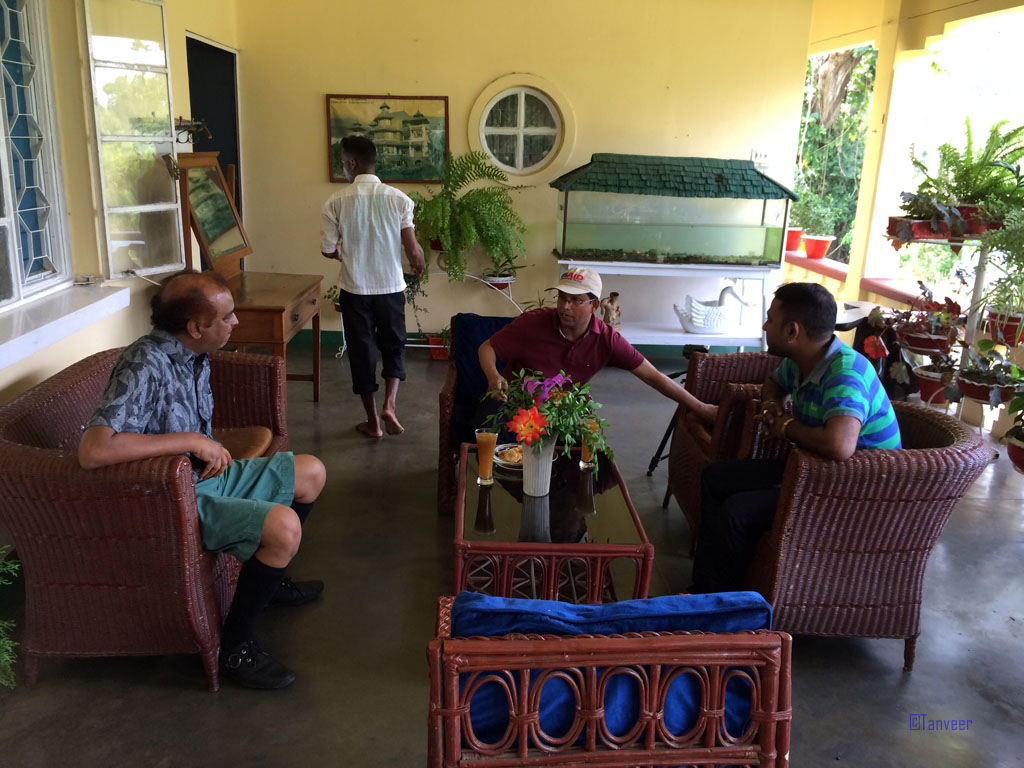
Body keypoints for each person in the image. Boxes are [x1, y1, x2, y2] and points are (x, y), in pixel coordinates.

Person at [78, 270, 327, 690]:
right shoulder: (145, 363)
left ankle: (269, 586)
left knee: (311, 472)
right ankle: (235, 649)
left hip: (206, 477)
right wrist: (192, 440)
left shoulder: (194, 353)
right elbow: (94, 450)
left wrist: (202, 446)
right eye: (226, 317)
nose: (235, 323)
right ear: (195, 327)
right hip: (172, 497)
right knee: (284, 528)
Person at [691, 282, 902, 593]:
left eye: (770, 320)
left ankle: (724, 603)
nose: (765, 327)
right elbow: (773, 382)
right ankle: (704, 586)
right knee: (716, 477)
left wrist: (785, 426)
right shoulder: (803, 360)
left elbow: (839, 446)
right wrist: (771, 406)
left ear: (792, 331)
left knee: (737, 511)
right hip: (814, 471)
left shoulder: (845, 374)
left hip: (854, 491)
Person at [478, 266, 717, 421]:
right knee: (486, 436)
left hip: (559, 412)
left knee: (590, 459)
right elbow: (487, 347)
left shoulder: (606, 340)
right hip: (512, 403)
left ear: (594, 305)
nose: (565, 307)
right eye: (562, 298)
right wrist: (493, 376)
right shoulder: (534, 322)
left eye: (575, 300)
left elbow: (653, 376)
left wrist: (701, 408)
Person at [320, 135, 426, 438]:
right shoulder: (398, 199)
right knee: (394, 345)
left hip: (355, 290)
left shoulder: (335, 201)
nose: (343, 167)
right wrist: (418, 265)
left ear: (353, 163)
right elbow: (412, 248)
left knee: (362, 352)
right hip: (390, 288)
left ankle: (373, 423)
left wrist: (340, 254)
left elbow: (327, 249)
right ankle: (389, 405)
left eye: (343, 162)